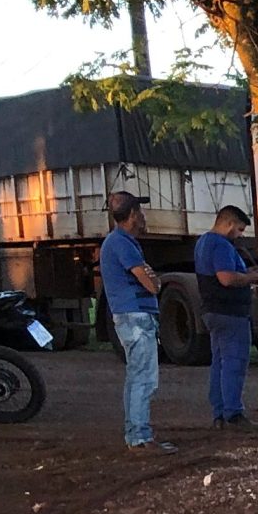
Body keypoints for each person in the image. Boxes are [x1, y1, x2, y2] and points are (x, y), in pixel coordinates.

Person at [193, 204, 258, 429]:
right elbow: (226, 278)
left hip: (212, 311)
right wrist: (255, 278)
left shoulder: (203, 242)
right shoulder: (221, 244)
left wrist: (249, 273)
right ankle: (233, 413)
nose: (240, 235)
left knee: (219, 363)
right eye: (240, 229)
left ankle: (220, 413)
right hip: (230, 312)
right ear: (228, 223)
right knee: (234, 362)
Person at [100, 191, 170, 452]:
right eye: (139, 213)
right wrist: (153, 280)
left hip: (129, 316)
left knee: (135, 377)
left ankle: (135, 433)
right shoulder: (123, 243)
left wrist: (154, 281)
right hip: (137, 316)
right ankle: (141, 436)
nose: (142, 218)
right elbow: (151, 283)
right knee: (144, 378)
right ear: (131, 215)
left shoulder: (115, 242)